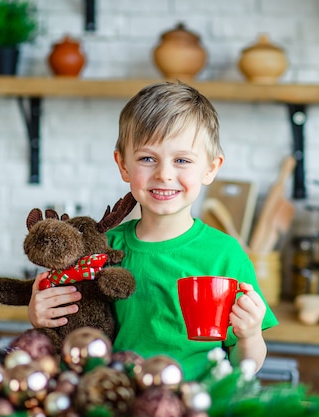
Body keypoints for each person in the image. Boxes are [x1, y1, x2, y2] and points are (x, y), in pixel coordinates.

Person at [27, 81, 279, 380]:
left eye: (182, 160)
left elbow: (245, 364)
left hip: (194, 403)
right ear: (123, 165)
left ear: (211, 168)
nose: (164, 174)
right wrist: (38, 313)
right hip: (110, 398)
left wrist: (249, 335)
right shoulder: (100, 249)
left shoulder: (226, 256)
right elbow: (67, 329)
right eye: (148, 159)